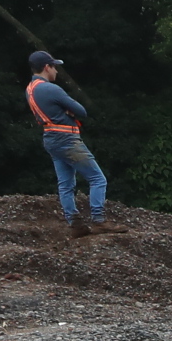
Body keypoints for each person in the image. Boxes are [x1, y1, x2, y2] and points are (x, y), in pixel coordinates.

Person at [24, 51, 119, 237]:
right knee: (98, 179)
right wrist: (69, 113)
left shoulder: (29, 89)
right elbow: (81, 111)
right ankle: (99, 220)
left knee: (65, 184)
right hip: (66, 138)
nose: (56, 72)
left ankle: (74, 222)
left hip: (50, 138)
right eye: (54, 67)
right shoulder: (50, 89)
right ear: (46, 67)